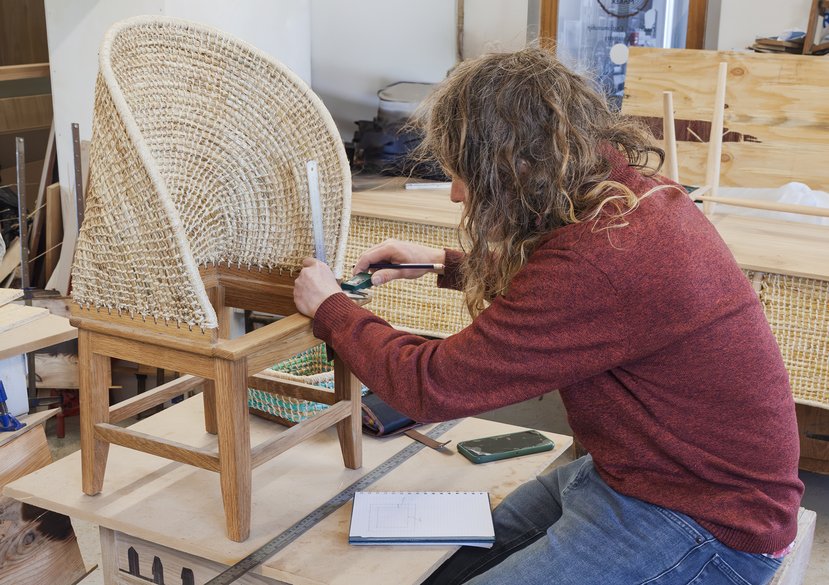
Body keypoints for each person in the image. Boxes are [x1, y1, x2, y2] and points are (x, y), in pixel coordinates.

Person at [292, 47, 803, 585]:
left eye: (466, 175)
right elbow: (576, 299)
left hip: (706, 522)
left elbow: (431, 385)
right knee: (443, 566)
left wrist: (332, 309)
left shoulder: (605, 254)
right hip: (639, 474)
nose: (456, 195)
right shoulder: (628, 196)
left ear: (518, 167)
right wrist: (446, 263)